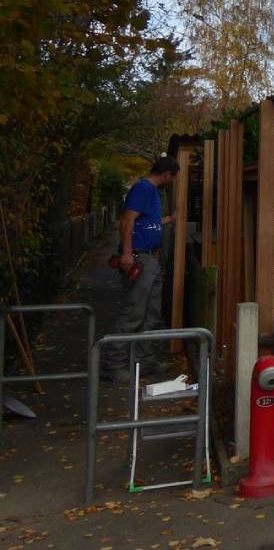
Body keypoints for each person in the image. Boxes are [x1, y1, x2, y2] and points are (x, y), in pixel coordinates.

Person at [102, 155, 179, 383]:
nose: (171, 181)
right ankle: (113, 365)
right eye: (172, 178)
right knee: (132, 312)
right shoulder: (143, 188)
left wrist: (169, 219)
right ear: (167, 175)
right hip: (138, 258)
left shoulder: (152, 192)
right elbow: (127, 220)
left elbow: (148, 223)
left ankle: (145, 361)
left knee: (151, 313)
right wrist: (127, 252)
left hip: (150, 259)